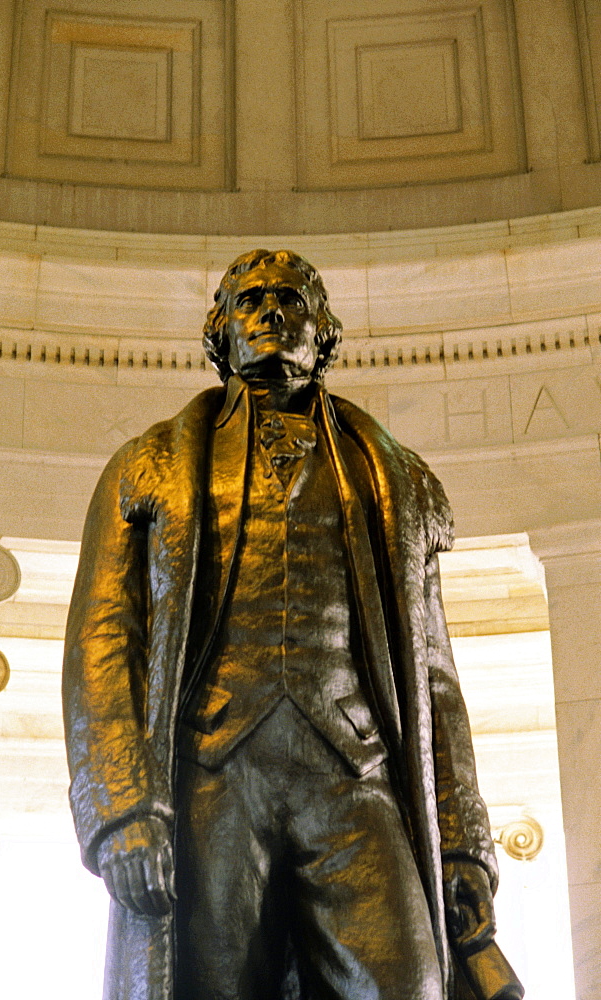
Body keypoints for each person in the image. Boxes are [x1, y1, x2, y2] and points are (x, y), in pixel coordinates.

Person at [62, 249, 520, 1000]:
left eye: (291, 301)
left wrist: (463, 839)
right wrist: (120, 811)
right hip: (211, 779)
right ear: (220, 333)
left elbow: (434, 671)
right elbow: (103, 643)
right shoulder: (146, 467)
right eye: (249, 301)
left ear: (324, 331)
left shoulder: (393, 477)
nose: (271, 313)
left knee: (409, 985)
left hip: (355, 775)